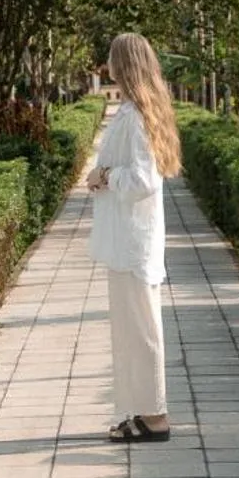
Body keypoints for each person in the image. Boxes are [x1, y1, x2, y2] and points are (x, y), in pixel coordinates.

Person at [86, 32, 182, 443]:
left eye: (111, 59)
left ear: (123, 64)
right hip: (126, 239)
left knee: (142, 330)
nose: (107, 66)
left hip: (133, 240)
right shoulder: (133, 111)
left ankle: (154, 415)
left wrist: (104, 177)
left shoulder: (139, 116)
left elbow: (144, 179)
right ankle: (137, 410)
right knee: (130, 332)